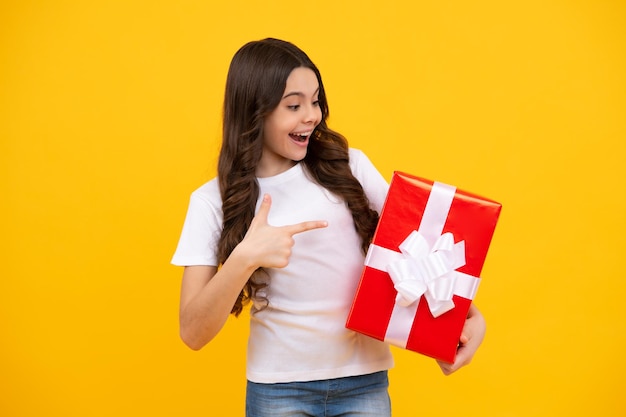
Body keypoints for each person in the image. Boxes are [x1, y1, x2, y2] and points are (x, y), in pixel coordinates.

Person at [171, 38, 486, 417]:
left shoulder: (350, 167)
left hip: (364, 383)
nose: (312, 115)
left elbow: (422, 256)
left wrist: (467, 322)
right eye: (293, 105)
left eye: (315, 100)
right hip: (278, 391)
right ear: (255, 112)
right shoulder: (211, 200)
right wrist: (245, 258)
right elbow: (192, 333)